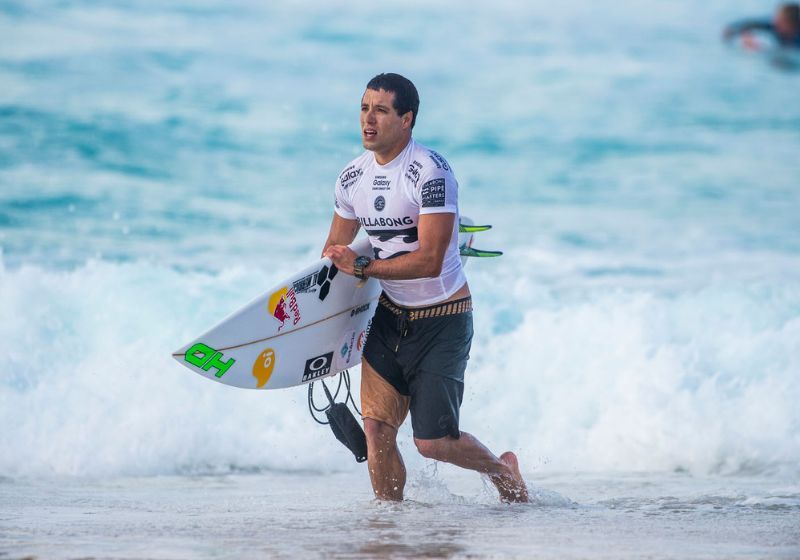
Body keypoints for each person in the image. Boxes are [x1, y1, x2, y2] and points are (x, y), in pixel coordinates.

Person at [321, 73, 529, 503]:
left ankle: (502, 471)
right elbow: (334, 249)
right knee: (376, 428)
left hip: (444, 317)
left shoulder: (431, 172)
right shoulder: (350, 178)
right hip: (391, 315)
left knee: (433, 442)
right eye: (364, 108)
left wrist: (363, 265)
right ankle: (390, 528)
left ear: (407, 119)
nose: (368, 120)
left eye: (380, 110)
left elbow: (431, 260)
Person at [723, 3, 800, 49]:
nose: (775, 25)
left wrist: (760, 50)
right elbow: (738, 26)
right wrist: (745, 34)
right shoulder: (772, 25)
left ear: (793, 26)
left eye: (780, 23)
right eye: (775, 21)